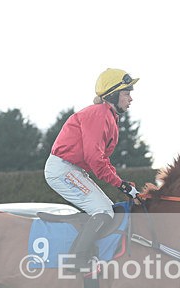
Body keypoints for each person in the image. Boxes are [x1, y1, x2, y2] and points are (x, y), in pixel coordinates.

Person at [44, 68, 140, 270]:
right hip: (62, 169)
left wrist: (121, 182)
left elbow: (101, 160)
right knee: (103, 210)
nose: (130, 99)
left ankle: (87, 252)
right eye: (126, 93)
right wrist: (121, 185)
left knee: (107, 209)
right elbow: (95, 158)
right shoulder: (99, 114)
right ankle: (76, 260)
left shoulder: (108, 116)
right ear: (113, 95)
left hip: (72, 169)